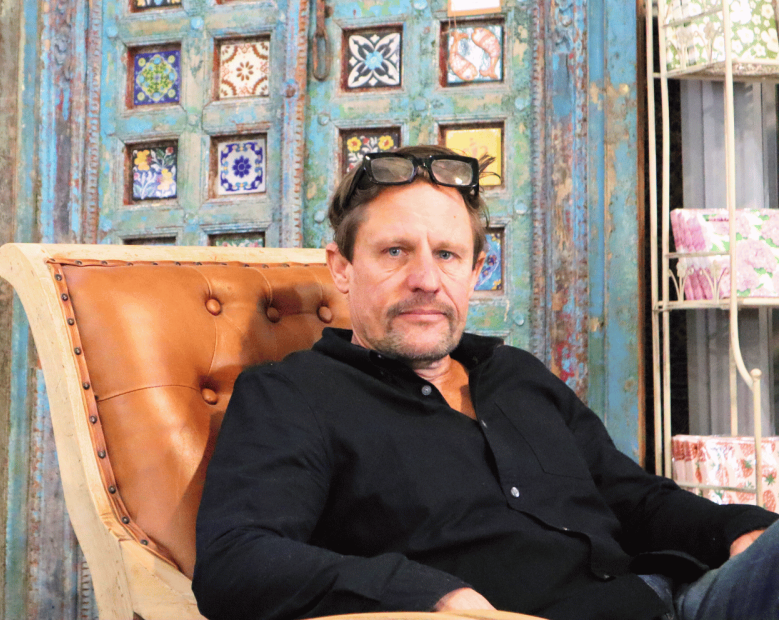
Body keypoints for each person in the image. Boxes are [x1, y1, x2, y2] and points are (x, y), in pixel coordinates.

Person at [192, 144, 779, 620]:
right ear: (342, 267)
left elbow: (632, 497)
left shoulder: (513, 374)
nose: (424, 278)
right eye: (395, 251)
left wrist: (738, 529)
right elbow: (236, 562)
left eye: (447, 255)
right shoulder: (292, 396)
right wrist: (429, 596)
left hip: (679, 598)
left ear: (476, 271)